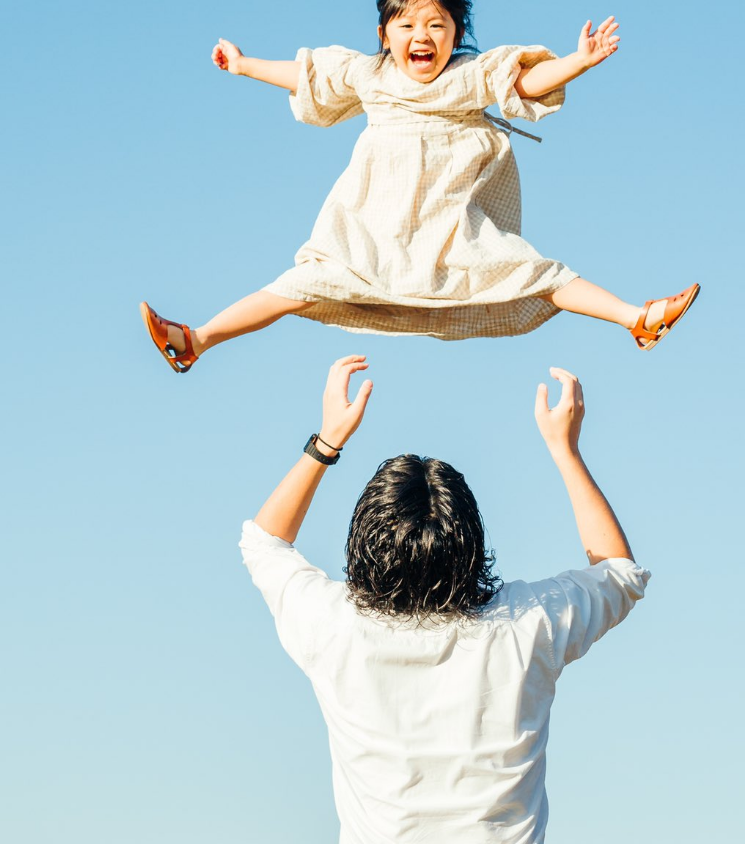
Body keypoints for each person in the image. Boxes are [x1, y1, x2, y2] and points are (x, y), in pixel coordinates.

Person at [141, 0, 699, 372]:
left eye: (436, 25)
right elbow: (308, 75)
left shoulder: (467, 75)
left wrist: (578, 60)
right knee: (301, 283)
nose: (422, 36)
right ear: (384, 35)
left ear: (457, 34)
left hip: (451, 226)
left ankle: (636, 318)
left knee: (535, 273)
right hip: (373, 227)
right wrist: (243, 65)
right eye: (407, 25)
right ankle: (197, 340)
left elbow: (524, 80)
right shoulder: (370, 74)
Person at [241, 354, 650, 844]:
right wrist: (566, 451)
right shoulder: (526, 625)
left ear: (365, 540)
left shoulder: (335, 627)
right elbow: (619, 574)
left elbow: (263, 542)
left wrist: (328, 440)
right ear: (472, 542)